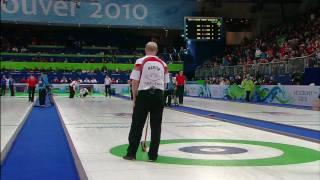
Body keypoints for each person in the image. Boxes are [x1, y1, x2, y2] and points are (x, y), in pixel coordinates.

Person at [123, 42, 169, 162]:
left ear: (145, 50)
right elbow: (165, 83)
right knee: (156, 127)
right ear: (157, 50)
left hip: (143, 95)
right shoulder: (163, 64)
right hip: (159, 95)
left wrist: (134, 98)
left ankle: (131, 154)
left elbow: (134, 81)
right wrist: (160, 97)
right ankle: (153, 156)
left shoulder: (140, 61)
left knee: (137, 125)